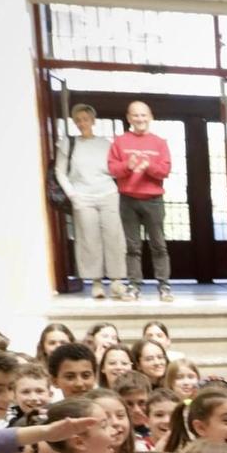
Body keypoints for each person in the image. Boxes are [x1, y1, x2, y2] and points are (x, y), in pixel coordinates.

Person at [55, 103, 128, 300]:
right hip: (82, 196)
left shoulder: (105, 144)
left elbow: (115, 170)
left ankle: (117, 281)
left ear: (93, 121)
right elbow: (60, 171)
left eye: (85, 119)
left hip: (108, 194)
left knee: (114, 237)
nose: (82, 123)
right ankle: (95, 282)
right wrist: (73, 195)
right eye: (78, 120)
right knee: (89, 238)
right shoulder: (68, 143)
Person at [108, 100, 174, 303]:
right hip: (127, 199)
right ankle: (134, 286)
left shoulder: (160, 142)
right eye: (135, 115)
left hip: (153, 200)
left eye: (143, 115)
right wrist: (128, 165)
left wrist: (148, 166)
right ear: (129, 118)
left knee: (159, 245)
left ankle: (164, 285)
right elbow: (112, 170)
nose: (140, 119)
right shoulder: (119, 142)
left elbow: (165, 171)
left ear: (151, 117)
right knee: (132, 246)